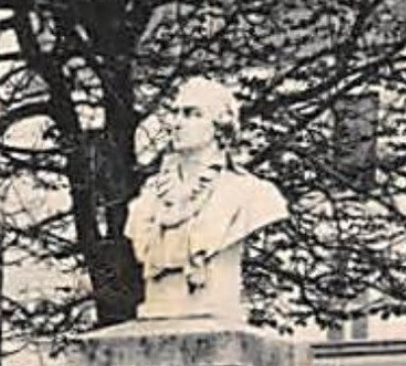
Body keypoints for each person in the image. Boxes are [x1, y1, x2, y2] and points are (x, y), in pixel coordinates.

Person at [124, 77, 289, 325]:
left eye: (192, 114)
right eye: (175, 113)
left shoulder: (251, 194)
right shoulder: (148, 198)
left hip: (217, 309)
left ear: (220, 127)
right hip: (156, 311)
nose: (177, 123)